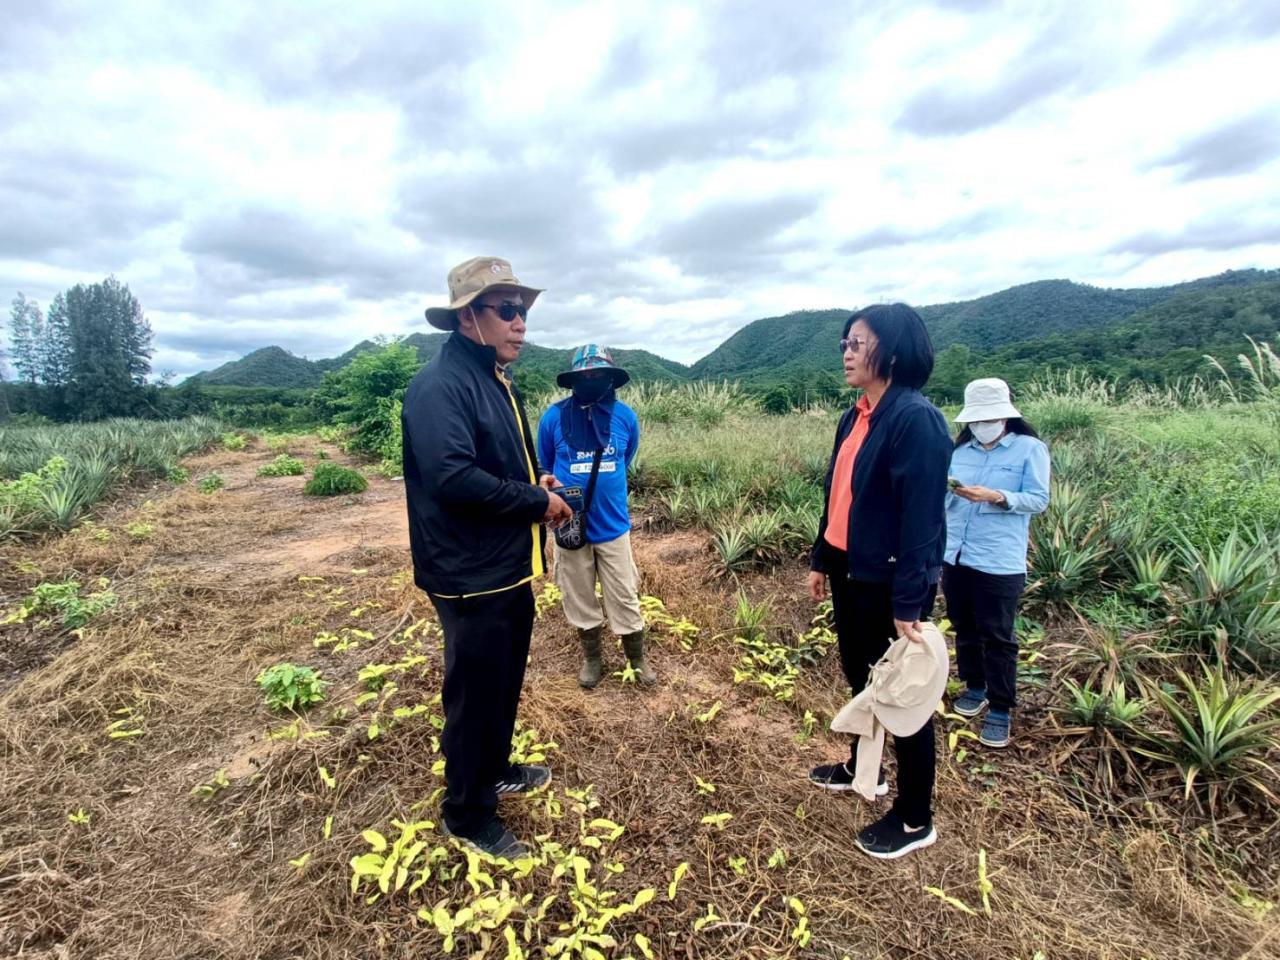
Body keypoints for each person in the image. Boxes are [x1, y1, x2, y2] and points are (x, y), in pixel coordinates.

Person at [402, 256, 573, 859]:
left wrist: (536, 481)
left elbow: (494, 464)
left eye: (523, 309)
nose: (520, 322)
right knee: (474, 693)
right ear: (468, 316)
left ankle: (495, 768)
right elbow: (452, 478)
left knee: (502, 680)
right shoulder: (440, 385)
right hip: (469, 573)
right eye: (507, 310)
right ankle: (468, 813)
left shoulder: (492, 377)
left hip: (503, 566)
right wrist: (537, 502)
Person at [806, 303, 952, 859]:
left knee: (905, 695)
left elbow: (923, 522)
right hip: (850, 570)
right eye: (844, 342)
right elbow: (837, 496)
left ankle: (916, 817)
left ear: (891, 349)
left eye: (858, 342)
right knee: (861, 677)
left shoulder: (915, 419)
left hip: (889, 584)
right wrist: (822, 557)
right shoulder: (857, 415)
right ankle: (863, 768)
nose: (846, 351)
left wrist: (910, 600)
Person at [943, 378, 1050, 748]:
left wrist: (998, 496)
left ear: (1005, 415)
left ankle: (1002, 707)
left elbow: (1038, 499)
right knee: (964, 626)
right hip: (955, 554)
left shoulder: (1028, 449)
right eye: (975, 419)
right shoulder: (960, 453)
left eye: (988, 418)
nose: (981, 425)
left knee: (998, 636)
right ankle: (976, 687)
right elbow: (946, 502)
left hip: (998, 560)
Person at [536, 345, 649, 688]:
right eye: (585, 375)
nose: (592, 380)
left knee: (624, 592)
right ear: (574, 380)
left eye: (599, 374)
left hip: (613, 525)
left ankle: (637, 659)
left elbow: (625, 457)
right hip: (569, 523)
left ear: (610, 378)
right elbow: (545, 463)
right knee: (579, 594)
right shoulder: (553, 417)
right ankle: (592, 658)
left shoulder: (625, 417)